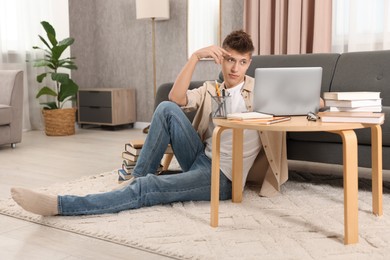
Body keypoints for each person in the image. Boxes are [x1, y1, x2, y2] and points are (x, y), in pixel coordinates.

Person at [11, 30, 288, 216]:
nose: (234, 68)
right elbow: (175, 98)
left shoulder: (264, 90)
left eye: (241, 62)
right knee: (166, 108)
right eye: (229, 60)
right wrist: (194, 57)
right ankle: (137, 175)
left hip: (223, 179)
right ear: (221, 58)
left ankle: (62, 206)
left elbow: (304, 103)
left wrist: (321, 103)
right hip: (202, 158)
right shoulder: (212, 89)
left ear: (249, 63)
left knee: (150, 189)